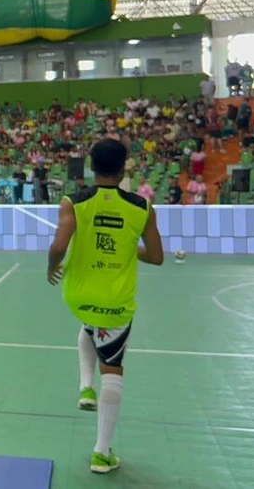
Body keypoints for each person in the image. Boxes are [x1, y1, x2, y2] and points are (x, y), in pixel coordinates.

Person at [47, 139, 164, 474]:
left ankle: (86, 386)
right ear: (125, 166)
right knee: (112, 366)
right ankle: (102, 452)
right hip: (115, 302)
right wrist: (130, 249)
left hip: (78, 297)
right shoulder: (142, 207)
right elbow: (156, 257)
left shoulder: (74, 202)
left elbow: (58, 246)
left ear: (90, 165)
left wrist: (50, 267)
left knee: (88, 325)